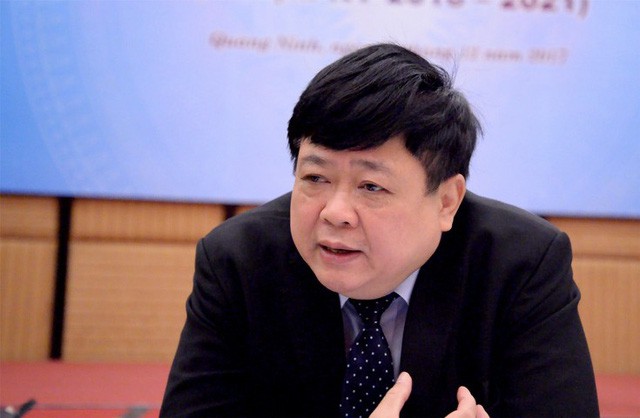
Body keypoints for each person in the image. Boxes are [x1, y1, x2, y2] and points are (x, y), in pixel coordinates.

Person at [160, 43, 599, 417]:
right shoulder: (238, 262)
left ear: (446, 201)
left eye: (371, 186)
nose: (335, 213)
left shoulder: (521, 265)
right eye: (315, 178)